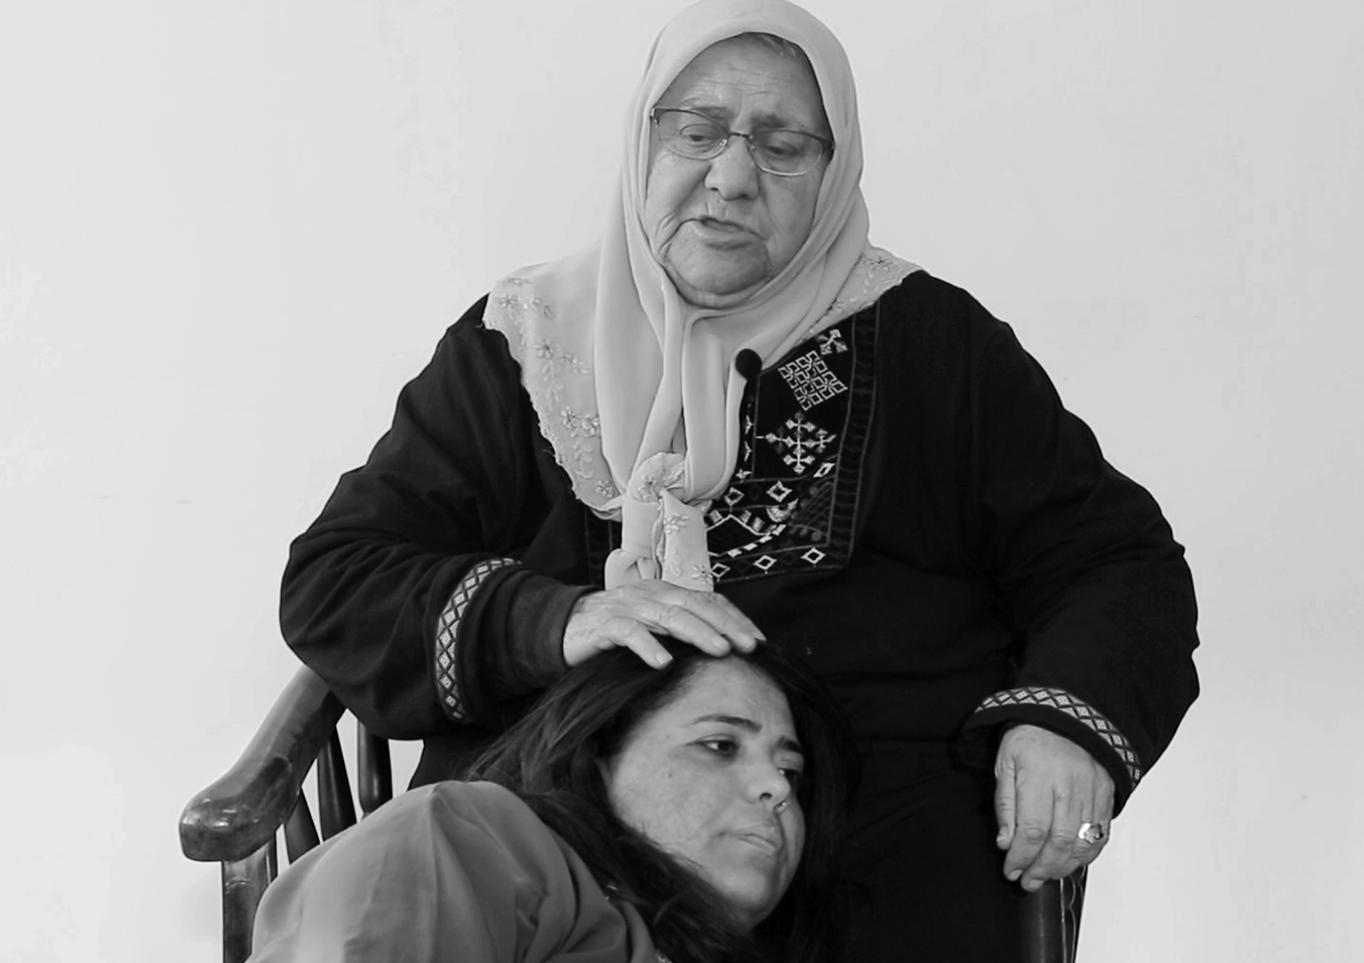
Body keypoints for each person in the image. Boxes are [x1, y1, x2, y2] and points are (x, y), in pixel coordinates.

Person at [280, 0, 1200, 958]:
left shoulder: (935, 345)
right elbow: (338, 580)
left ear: (833, 174)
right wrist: (555, 621)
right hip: (558, 830)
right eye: (697, 131)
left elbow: (1114, 560)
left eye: (782, 145)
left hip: (866, 843)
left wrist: (1065, 724)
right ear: (644, 142)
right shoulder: (520, 347)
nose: (730, 177)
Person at [247, 641, 858, 963]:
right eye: (720, 745)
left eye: (791, 771)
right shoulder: (468, 838)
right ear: (600, 753)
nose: (778, 787)